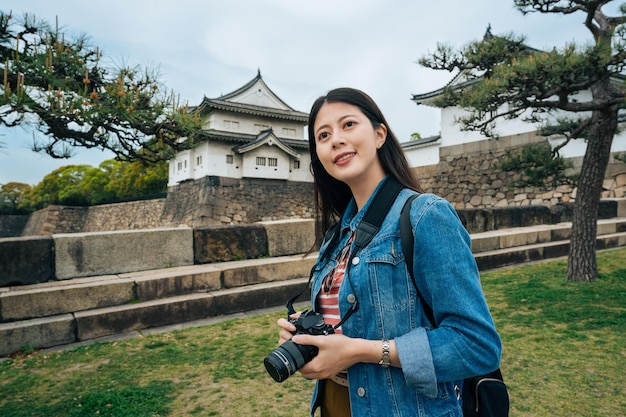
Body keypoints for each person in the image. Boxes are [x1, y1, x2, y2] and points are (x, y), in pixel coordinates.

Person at [275, 87, 502, 417]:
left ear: (379, 134)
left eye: (348, 124)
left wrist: (359, 351)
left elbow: (477, 346)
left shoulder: (426, 216)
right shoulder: (337, 236)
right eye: (323, 135)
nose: (335, 139)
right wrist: (306, 340)